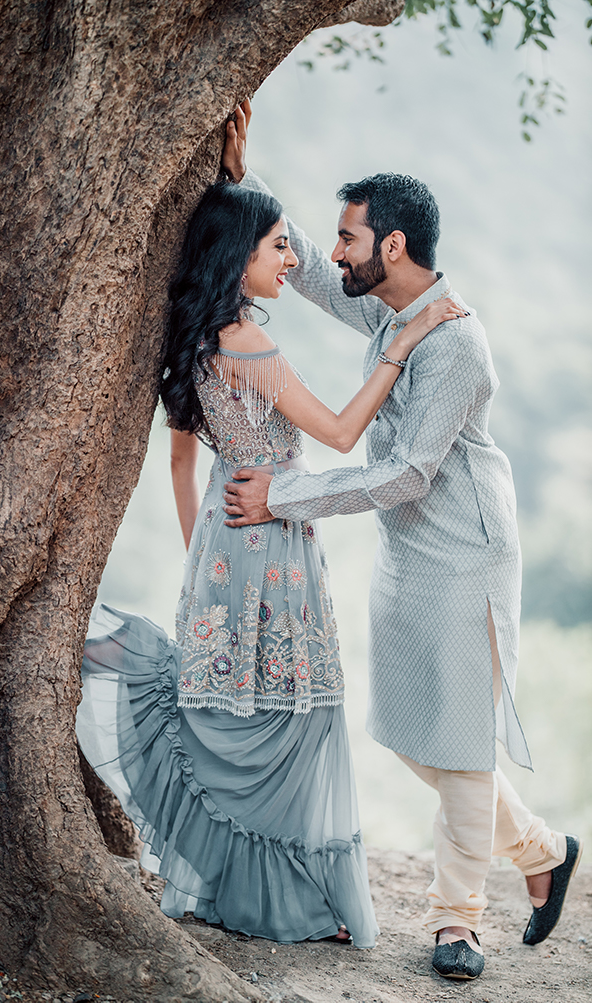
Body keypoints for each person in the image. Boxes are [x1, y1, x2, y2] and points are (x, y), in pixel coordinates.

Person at [220, 101, 582, 979]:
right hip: (405, 558)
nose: (332, 251)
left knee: (459, 754)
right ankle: (541, 852)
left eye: (348, 237)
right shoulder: (389, 309)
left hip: (464, 559)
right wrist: (244, 178)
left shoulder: (453, 342)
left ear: (391, 247)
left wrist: (285, 498)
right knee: (420, 741)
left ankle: (456, 924)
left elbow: (408, 473)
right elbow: (301, 268)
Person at [76, 180, 461, 948]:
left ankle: (234, 880)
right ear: (239, 256)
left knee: (229, 704)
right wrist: (404, 341)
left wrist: (203, 565)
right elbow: (345, 433)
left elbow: (184, 469)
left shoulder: (199, 338)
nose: (294, 258)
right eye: (279, 245)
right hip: (275, 542)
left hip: (222, 546)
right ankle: (282, 896)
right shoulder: (249, 344)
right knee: (288, 717)